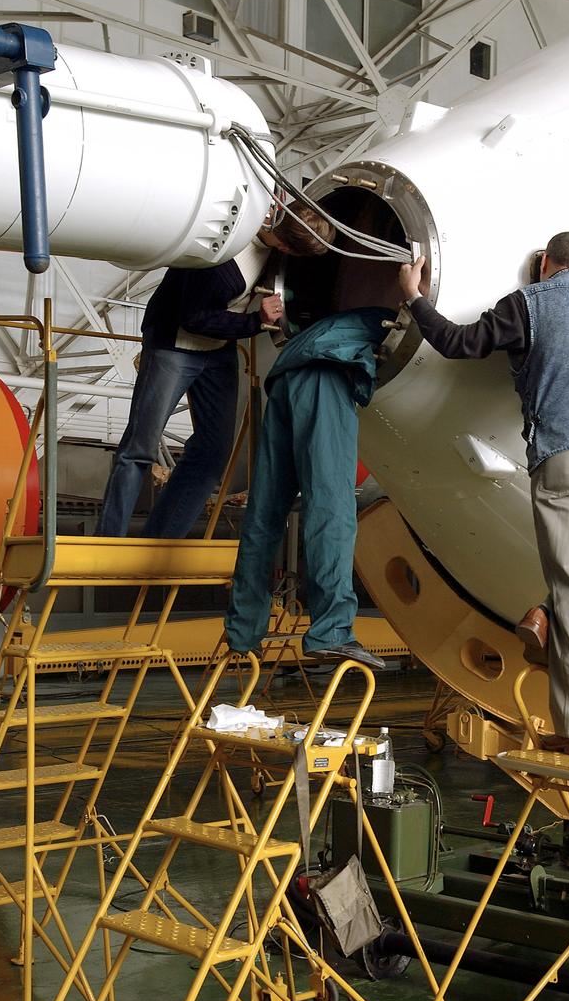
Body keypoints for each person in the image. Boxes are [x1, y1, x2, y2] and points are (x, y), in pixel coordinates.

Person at [399, 232, 569, 754]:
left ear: (542, 263)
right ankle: (551, 613)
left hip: (564, 458)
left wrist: (413, 296)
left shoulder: (527, 304)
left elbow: (458, 343)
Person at [96, 202, 335, 538]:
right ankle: (108, 539)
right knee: (140, 447)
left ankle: (162, 539)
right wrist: (256, 320)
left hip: (218, 350)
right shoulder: (220, 255)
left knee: (213, 452)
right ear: (284, 244)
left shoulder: (276, 238)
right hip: (174, 346)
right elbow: (193, 318)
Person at [224, 307, 392, 671]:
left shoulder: (337, 318)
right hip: (325, 374)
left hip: (285, 376)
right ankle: (332, 631)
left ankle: (242, 631)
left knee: (265, 511)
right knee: (331, 508)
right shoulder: (390, 316)